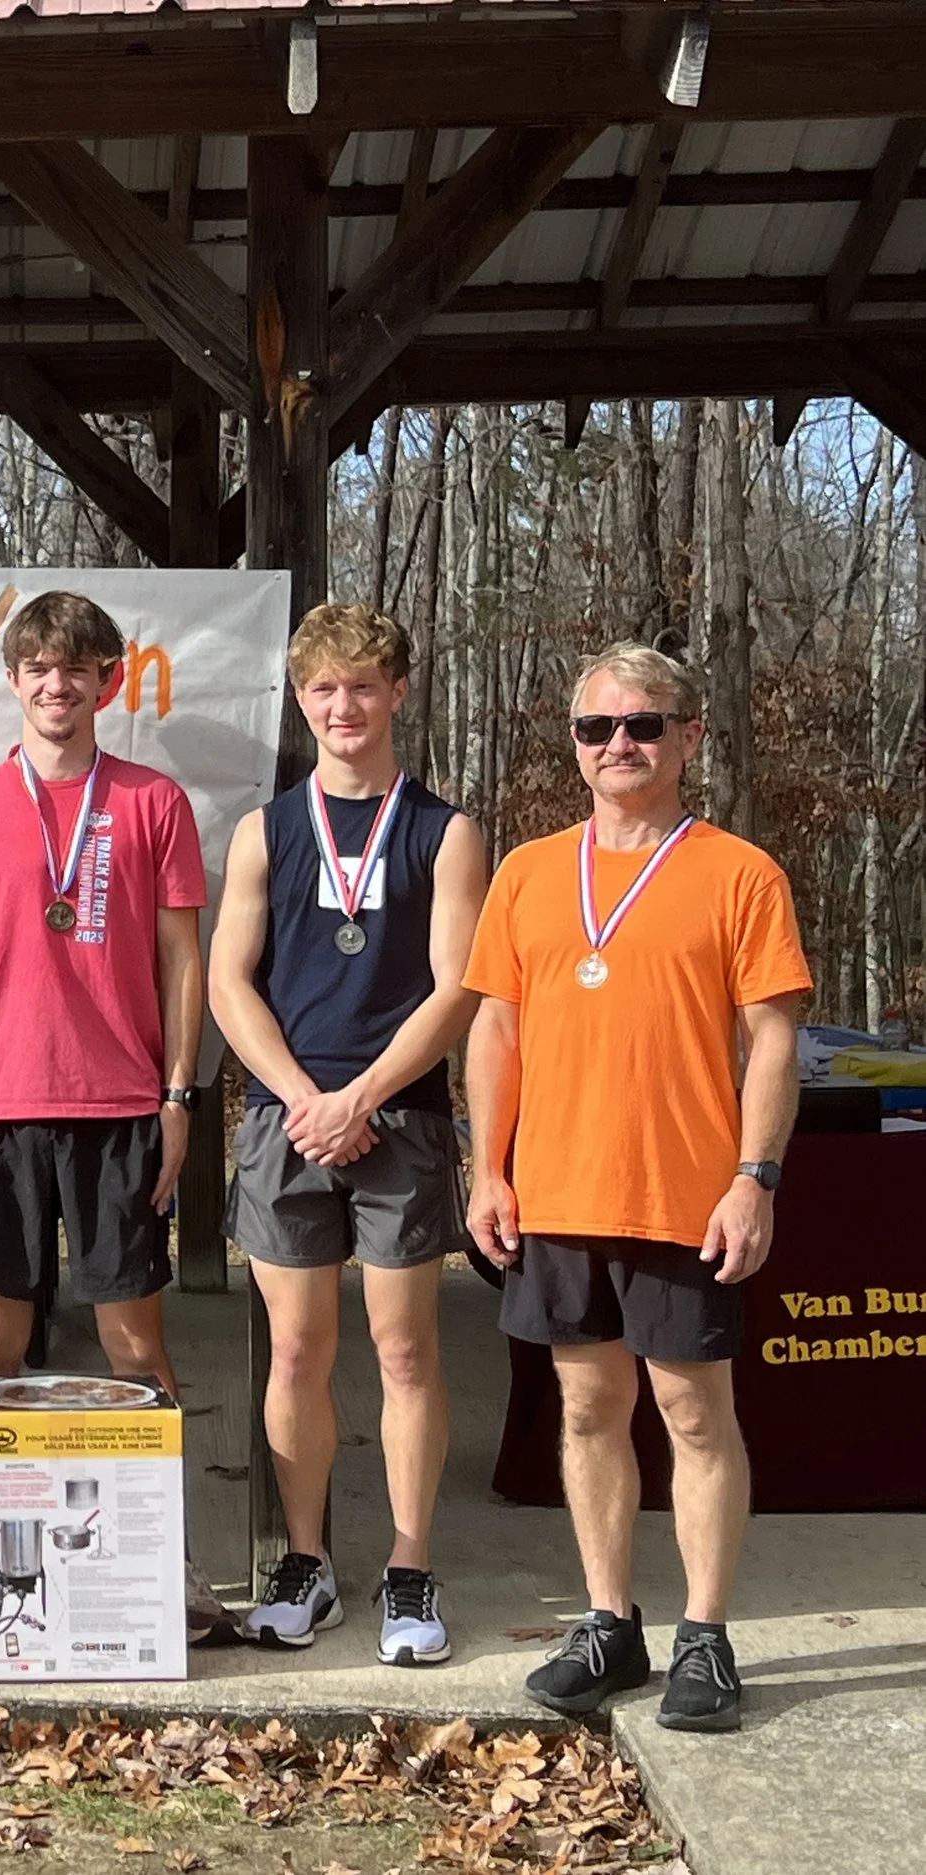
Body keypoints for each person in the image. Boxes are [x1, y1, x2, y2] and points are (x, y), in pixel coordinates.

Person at [466, 643, 807, 1735]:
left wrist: (752, 1179)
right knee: (585, 1408)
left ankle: (704, 1635)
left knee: (694, 1415)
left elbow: (770, 1043)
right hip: (558, 1193)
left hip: (683, 1194)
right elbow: (497, 1028)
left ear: (687, 739)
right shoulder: (525, 872)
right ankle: (609, 1621)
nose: (619, 744)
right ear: (573, 746)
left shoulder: (739, 873)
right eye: (596, 728)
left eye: (644, 726)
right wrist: (487, 1165)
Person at [0, 591, 229, 1646]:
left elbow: (182, 962)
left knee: (133, 1347)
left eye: (76, 667)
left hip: (120, 1105)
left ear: (106, 683)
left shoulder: (152, 802)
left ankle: (161, 1556)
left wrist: (178, 1096)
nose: (55, 683)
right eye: (36, 665)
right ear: (13, 679)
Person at [208, 602, 487, 1663]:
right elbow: (230, 984)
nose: (342, 706)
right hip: (287, 1121)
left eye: (362, 686)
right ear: (300, 700)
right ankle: (307, 1560)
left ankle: (410, 1571)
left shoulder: (445, 831)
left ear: (396, 693)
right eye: (323, 689)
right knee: (294, 1349)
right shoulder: (264, 831)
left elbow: (457, 986)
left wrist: (361, 1097)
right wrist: (299, 1099)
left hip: (399, 1119)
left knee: (405, 1349)